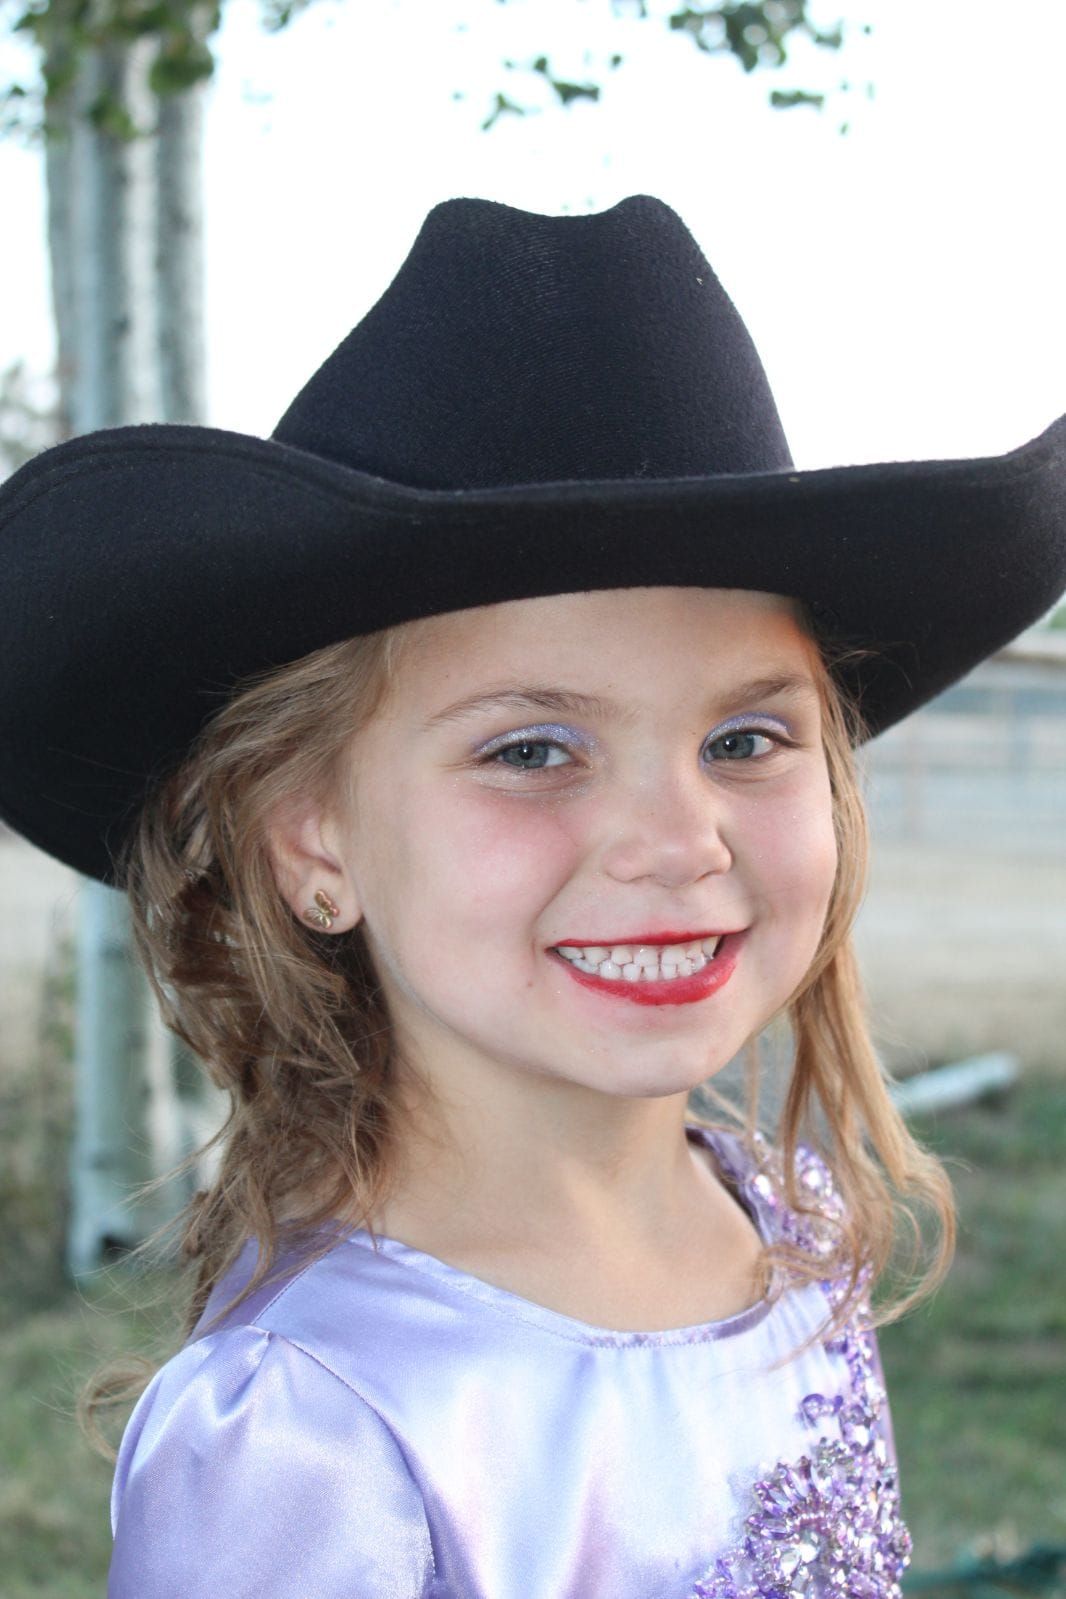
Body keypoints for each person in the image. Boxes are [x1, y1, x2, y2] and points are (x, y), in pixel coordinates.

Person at [1, 195, 1063, 1599]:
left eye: (743, 740)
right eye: (532, 750)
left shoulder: (790, 1229)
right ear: (307, 840)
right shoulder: (307, 1426)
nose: (676, 841)